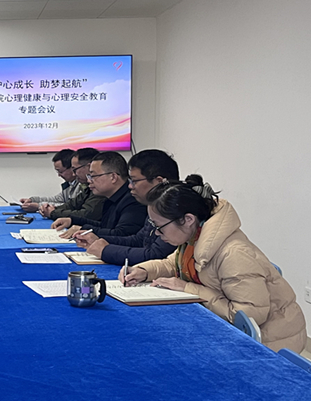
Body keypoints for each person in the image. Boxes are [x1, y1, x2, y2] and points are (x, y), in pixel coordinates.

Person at [121, 176, 307, 352]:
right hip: (232, 331)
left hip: (270, 343)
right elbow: (173, 264)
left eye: (159, 227)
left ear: (188, 219)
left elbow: (248, 316)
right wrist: (143, 271)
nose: (156, 233)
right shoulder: (195, 236)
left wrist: (188, 288)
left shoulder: (234, 254)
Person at [75, 149, 179, 265]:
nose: (130, 186)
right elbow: (138, 240)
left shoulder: (176, 207)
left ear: (158, 181)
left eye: (134, 181)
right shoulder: (155, 205)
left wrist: (106, 251)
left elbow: (156, 255)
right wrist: (97, 239)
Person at [52, 151, 147, 237]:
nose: (89, 181)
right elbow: (105, 226)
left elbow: (121, 234)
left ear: (113, 177)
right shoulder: (111, 198)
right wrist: (72, 220)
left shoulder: (133, 200)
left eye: (93, 176)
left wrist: (84, 229)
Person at [38, 148, 104, 221]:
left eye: (75, 170)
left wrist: (53, 212)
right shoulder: (88, 188)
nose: (73, 174)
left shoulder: (101, 189)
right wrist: (52, 209)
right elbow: (72, 204)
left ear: (89, 167)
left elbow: (86, 214)